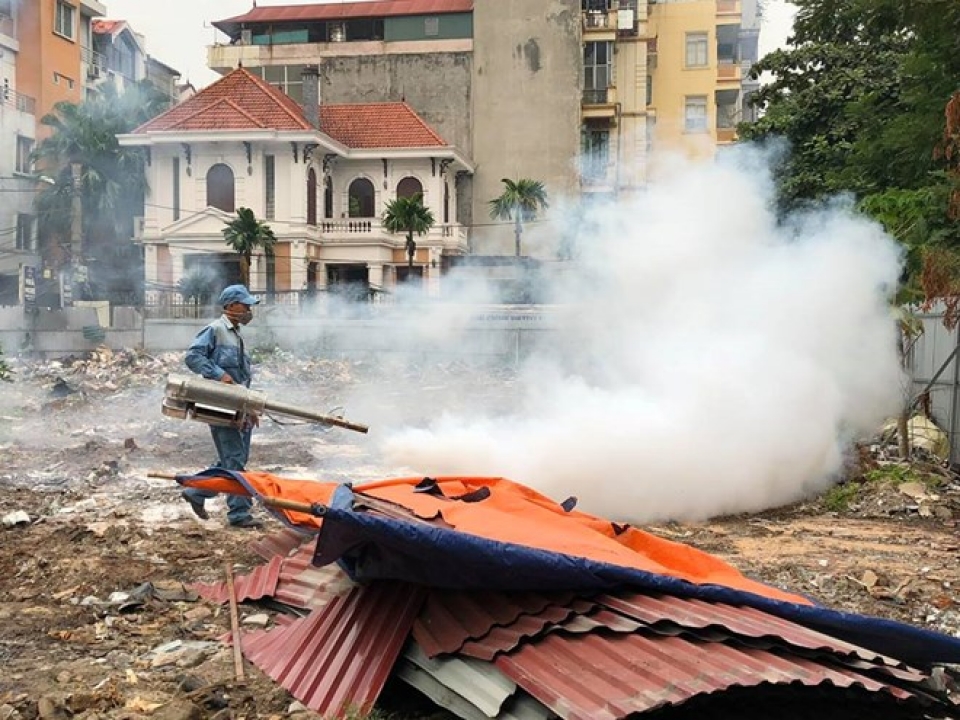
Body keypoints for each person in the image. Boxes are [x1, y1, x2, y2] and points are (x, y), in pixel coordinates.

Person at [180, 284, 263, 529]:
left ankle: (197, 491)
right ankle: (239, 513)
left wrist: (250, 408)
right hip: (221, 406)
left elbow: (242, 379)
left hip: (239, 406)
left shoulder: (236, 335)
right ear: (231, 306)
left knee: (234, 458)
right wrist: (218, 374)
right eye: (245, 306)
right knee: (234, 460)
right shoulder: (215, 330)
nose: (248, 311)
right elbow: (193, 357)